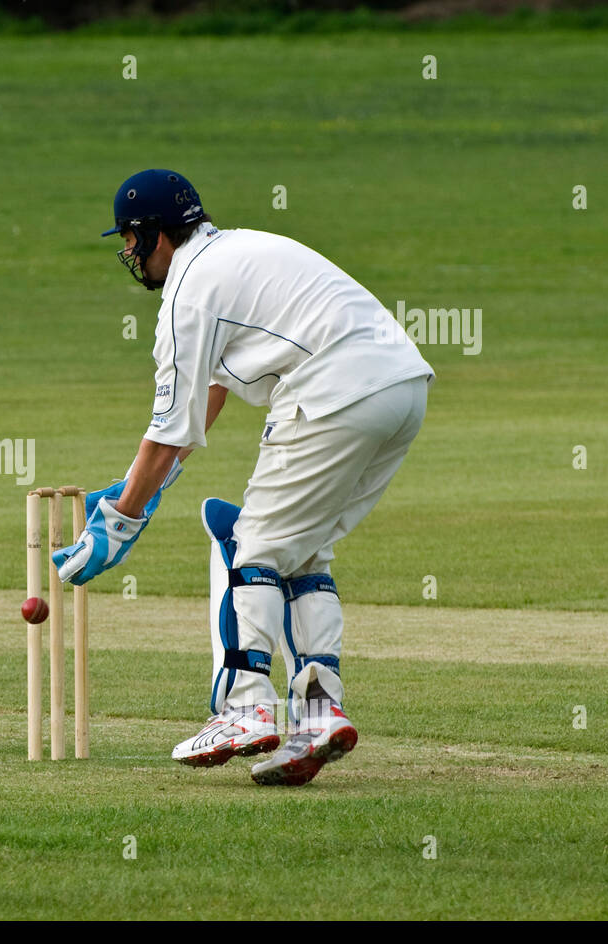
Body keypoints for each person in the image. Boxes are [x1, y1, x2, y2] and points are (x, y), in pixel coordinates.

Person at [53, 169, 434, 786]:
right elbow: (210, 393)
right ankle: (317, 712)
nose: (126, 252)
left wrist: (120, 523)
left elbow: (170, 426)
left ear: (154, 235)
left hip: (333, 391)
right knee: (303, 550)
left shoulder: (188, 290)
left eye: (129, 238)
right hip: (403, 391)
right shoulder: (239, 253)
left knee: (251, 545)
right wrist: (137, 489)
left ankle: (246, 708)